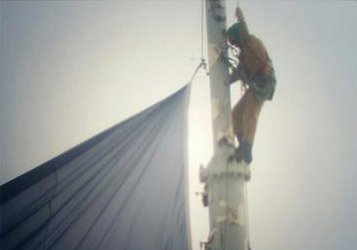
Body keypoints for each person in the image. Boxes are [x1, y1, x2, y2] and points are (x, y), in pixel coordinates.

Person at [225, 7, 276, 164]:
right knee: (234, 115)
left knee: (249, 115)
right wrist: (225, 80)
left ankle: (247, 149)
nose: (233, 45)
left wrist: (241, 18)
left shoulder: (250, 42)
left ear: (237, 36)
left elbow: (244, 33)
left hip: (262, 84)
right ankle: (241, 145)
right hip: (254, 84)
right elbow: (238, 73)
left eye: (233, 41)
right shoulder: (244, 55)